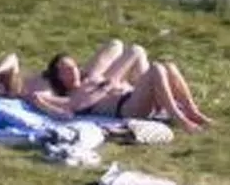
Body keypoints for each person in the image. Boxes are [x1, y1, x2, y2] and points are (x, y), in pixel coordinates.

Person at [27, 49, 212, 132]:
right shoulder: (69, 98)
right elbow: (36, 97)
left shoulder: (90, 81)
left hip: (133, 97)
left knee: (169, 66)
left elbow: (134, 53)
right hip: (127, 108)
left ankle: (193, 111)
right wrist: (43, 102)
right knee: (156, 68)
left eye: (73, 66)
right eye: (65, 70)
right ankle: (181, 119)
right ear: (58, 77)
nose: (72, 71)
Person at [0, 39, 149, 100]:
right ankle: (145, 90)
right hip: (83, 86)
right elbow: (58, 102)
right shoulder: (32, 93)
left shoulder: (21, 80)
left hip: (80, 77)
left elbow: (12, 58)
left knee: (116, 44)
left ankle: (141, 86)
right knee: (136, 51)